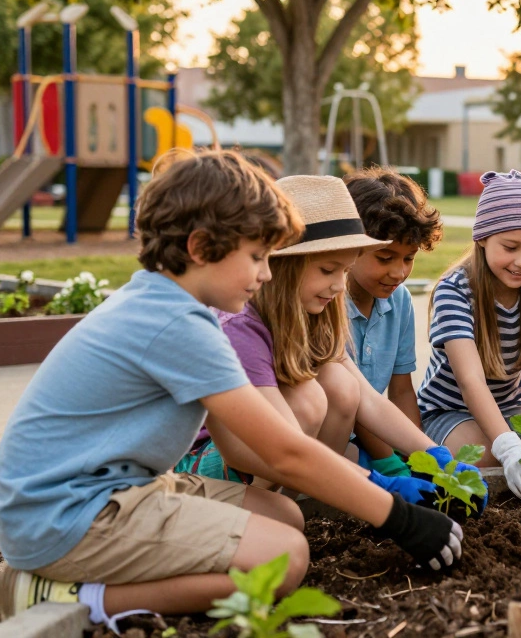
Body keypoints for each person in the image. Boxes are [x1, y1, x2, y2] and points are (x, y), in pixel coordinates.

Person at [0, 151, 462, 630]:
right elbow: (282, 453)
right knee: (284, 559)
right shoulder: (179, 325)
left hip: (111, 491)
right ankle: (71, 596)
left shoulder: (171, 306)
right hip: (67, 516)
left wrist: (403, 474)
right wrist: (397, 516)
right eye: (257, 257)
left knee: (285, 517)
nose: (265, 273)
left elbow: (244, 446)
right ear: (200, 248)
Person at [177, 174, 478, 510]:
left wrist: (437, 458)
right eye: (328, 270)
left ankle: (295, 505)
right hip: (212, 466)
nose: (338, 286)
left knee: (341, 385)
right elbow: (261, 446)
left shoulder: (317, 312)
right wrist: (379, 486)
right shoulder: (241, 325)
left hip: (278, 457)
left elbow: (365, 397)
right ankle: (257, 510)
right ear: (284, 263)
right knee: (308, 401)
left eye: (345, 271)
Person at [417, 170, 521, 501]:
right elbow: (471, 381)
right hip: (448, 411)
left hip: (510, 408)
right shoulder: (455, 289)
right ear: (482, 237)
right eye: (510, 247)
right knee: (483, 457)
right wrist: (509, 446)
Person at [342, 167, 443, 473]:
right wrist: (389, 462)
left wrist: (419, 457)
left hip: (375, 433)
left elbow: (401, 391)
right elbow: (355, 401)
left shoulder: (398, 301)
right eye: (385, 258)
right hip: (330, 435)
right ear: (349, 246)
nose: (398, 273)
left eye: (409, 258)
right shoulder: (326, 302)